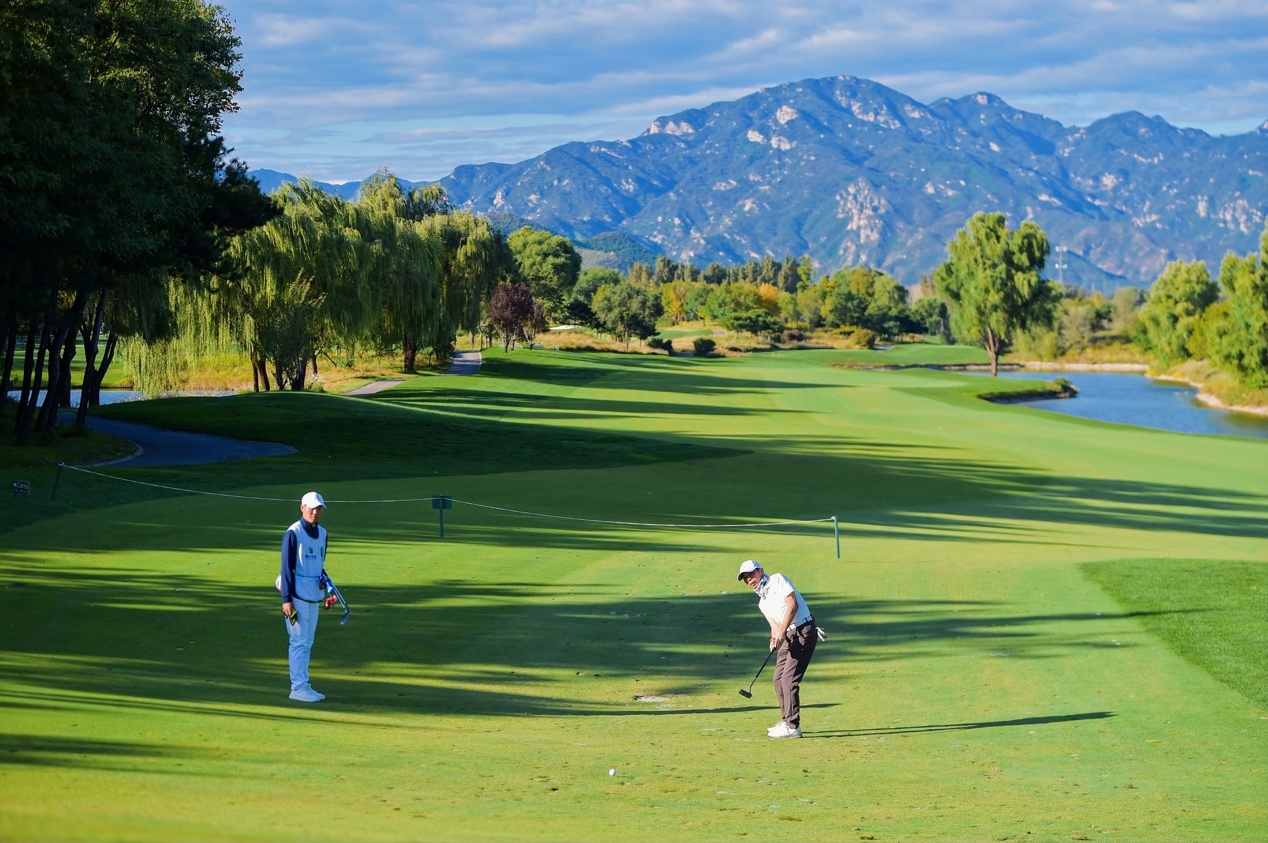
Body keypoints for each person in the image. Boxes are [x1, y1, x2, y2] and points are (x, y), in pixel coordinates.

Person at [736, 559, 819, 738]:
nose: (749, 579)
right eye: (745, 578)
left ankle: (793, 727)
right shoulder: (762, 602)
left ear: (761, 571)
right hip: (787, 635)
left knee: (789, 679)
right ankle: (786, 720)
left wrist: (781, 631)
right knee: (778, 678)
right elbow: (774, 624)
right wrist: (775, 637)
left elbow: (792, 604)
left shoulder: (778, 580)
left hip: (803, 630)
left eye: (751, 574)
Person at [279, 491, 338, 702]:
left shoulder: (323, 533)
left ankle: (305, 685)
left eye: (319, 508)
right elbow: (286, 569)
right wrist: (286, 600)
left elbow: (319, 566)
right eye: (311, 507)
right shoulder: (293, 533)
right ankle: (298, 688)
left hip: (314, 595)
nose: (315, 511)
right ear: (302, 507)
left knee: (308, 641)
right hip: (295, 598)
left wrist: (327, 586)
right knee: (298, 641)